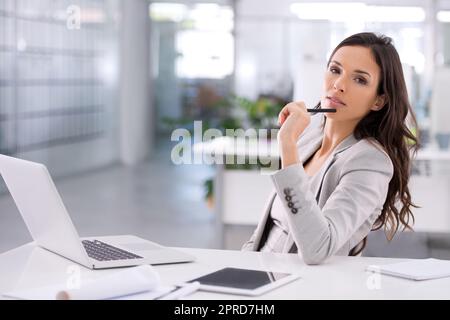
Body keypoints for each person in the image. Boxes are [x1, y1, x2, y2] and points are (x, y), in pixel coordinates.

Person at [242, 32, 419, 265]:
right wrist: (240, 265)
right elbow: (266, 231)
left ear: (379, 101)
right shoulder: (309, 138)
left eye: (359, 79)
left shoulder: (370, 161)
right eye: (335, 70)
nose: (339, 85)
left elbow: (318, 247)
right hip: (259, 277)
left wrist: (287, 145)